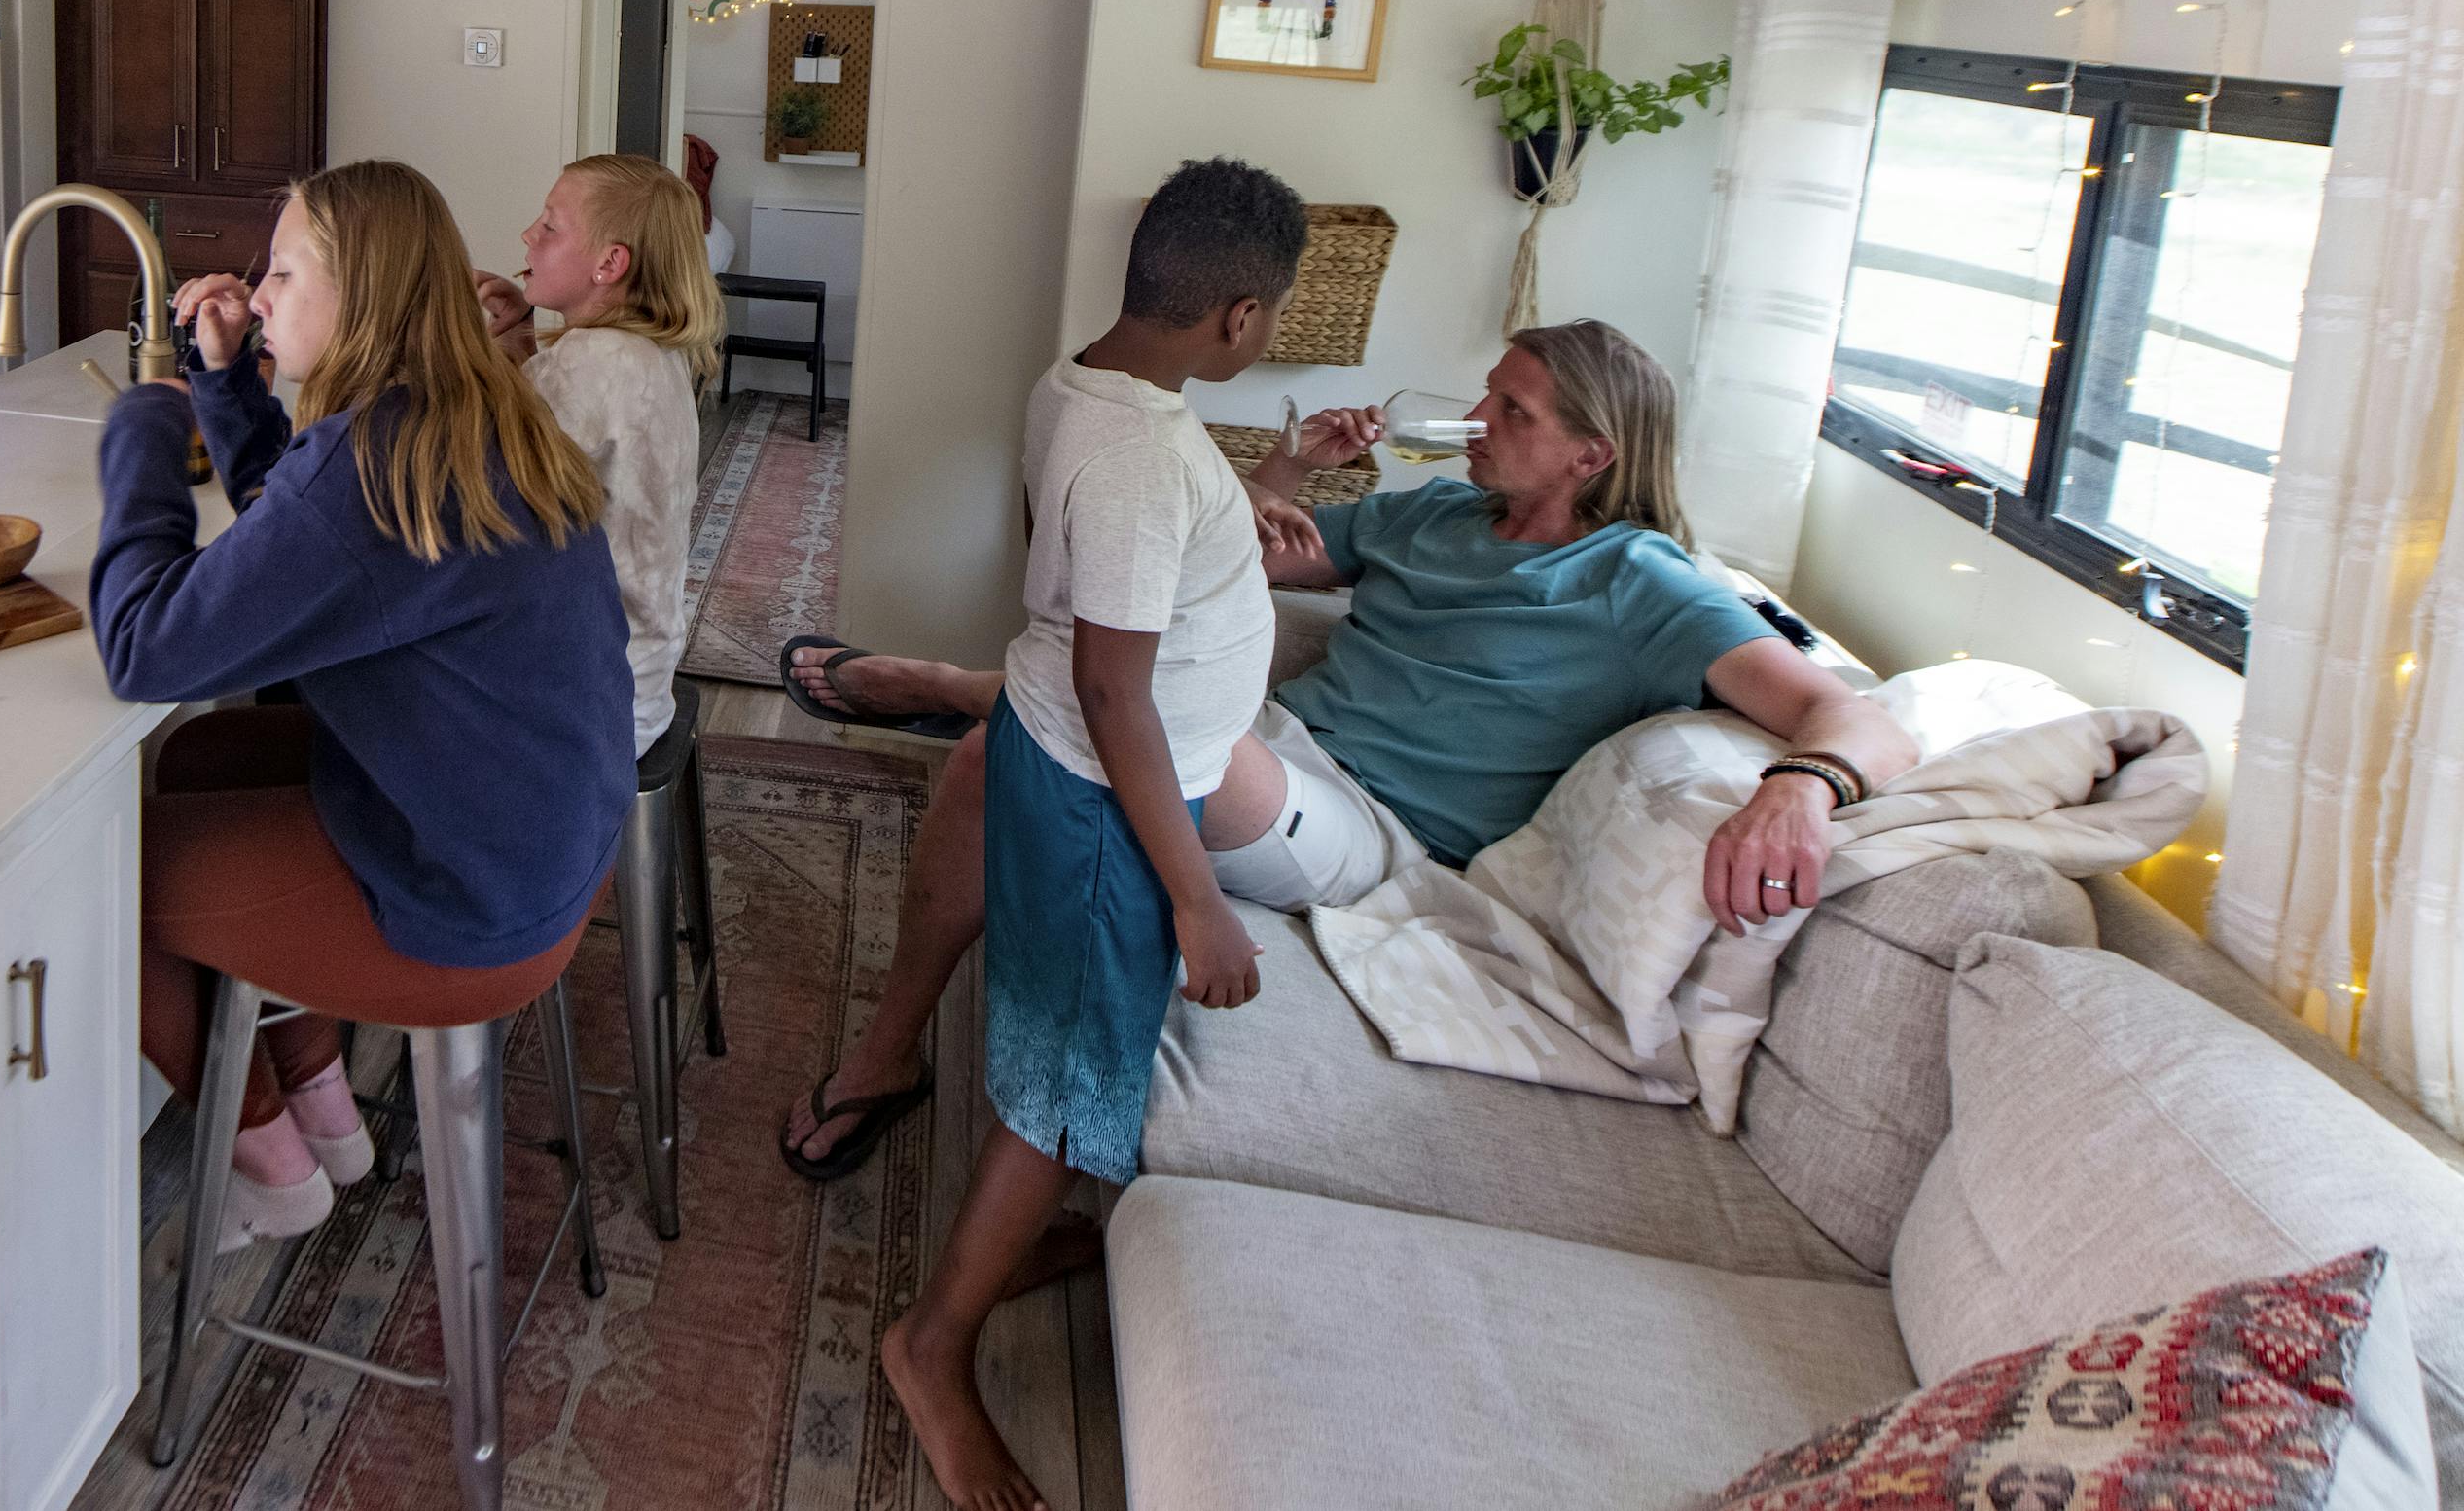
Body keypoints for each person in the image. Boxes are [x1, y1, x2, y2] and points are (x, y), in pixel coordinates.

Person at [777, 317, 1920, 1197]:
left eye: (1510, 409)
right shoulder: (1433, 517)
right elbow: (1217, 576)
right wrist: (1283, 479)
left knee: (1126, 730)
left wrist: (1801, 789)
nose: (1476, 416)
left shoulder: (1641, 582)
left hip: (1373, 832)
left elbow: (1853, 713)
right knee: (1001, 754)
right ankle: (888, 1050)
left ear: (1588, 453)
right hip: (1279, 742)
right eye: (1486, 391)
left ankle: (942, 685)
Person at [96, 162, 634, 1247]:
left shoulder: (373, 463)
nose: (258, 293)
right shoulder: (460, 412)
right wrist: (225, 381)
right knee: (200, 761)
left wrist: (140, 437)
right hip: (543, 843)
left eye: (284, 273)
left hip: (470, 904)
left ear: (365, 299)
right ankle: (325, 1109)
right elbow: (291, 529)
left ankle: (271, 1159)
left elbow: (145, 647)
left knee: (90, 877)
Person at [878, 159, 1298, 1511]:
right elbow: (1118, 685)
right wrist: (1198, 897)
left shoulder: (1088, 387)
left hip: (1070, 757)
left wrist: (1259, 493)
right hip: (1112, 796)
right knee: (1071, 1079)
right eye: (1275, 315)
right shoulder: (1140, 456)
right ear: (1238, 315)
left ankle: (1017, 1232)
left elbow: (1085, 584)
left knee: (1064, 1040)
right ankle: (930, 1345)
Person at [473, 153, 723, 756]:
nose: (528, 235)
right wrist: (517, 333)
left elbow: (479, 472)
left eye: (551, 226)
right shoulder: (648, 356)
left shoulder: (590, 364)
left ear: (610, 264)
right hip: (639, 679)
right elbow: (546, 439)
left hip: (583, 701)